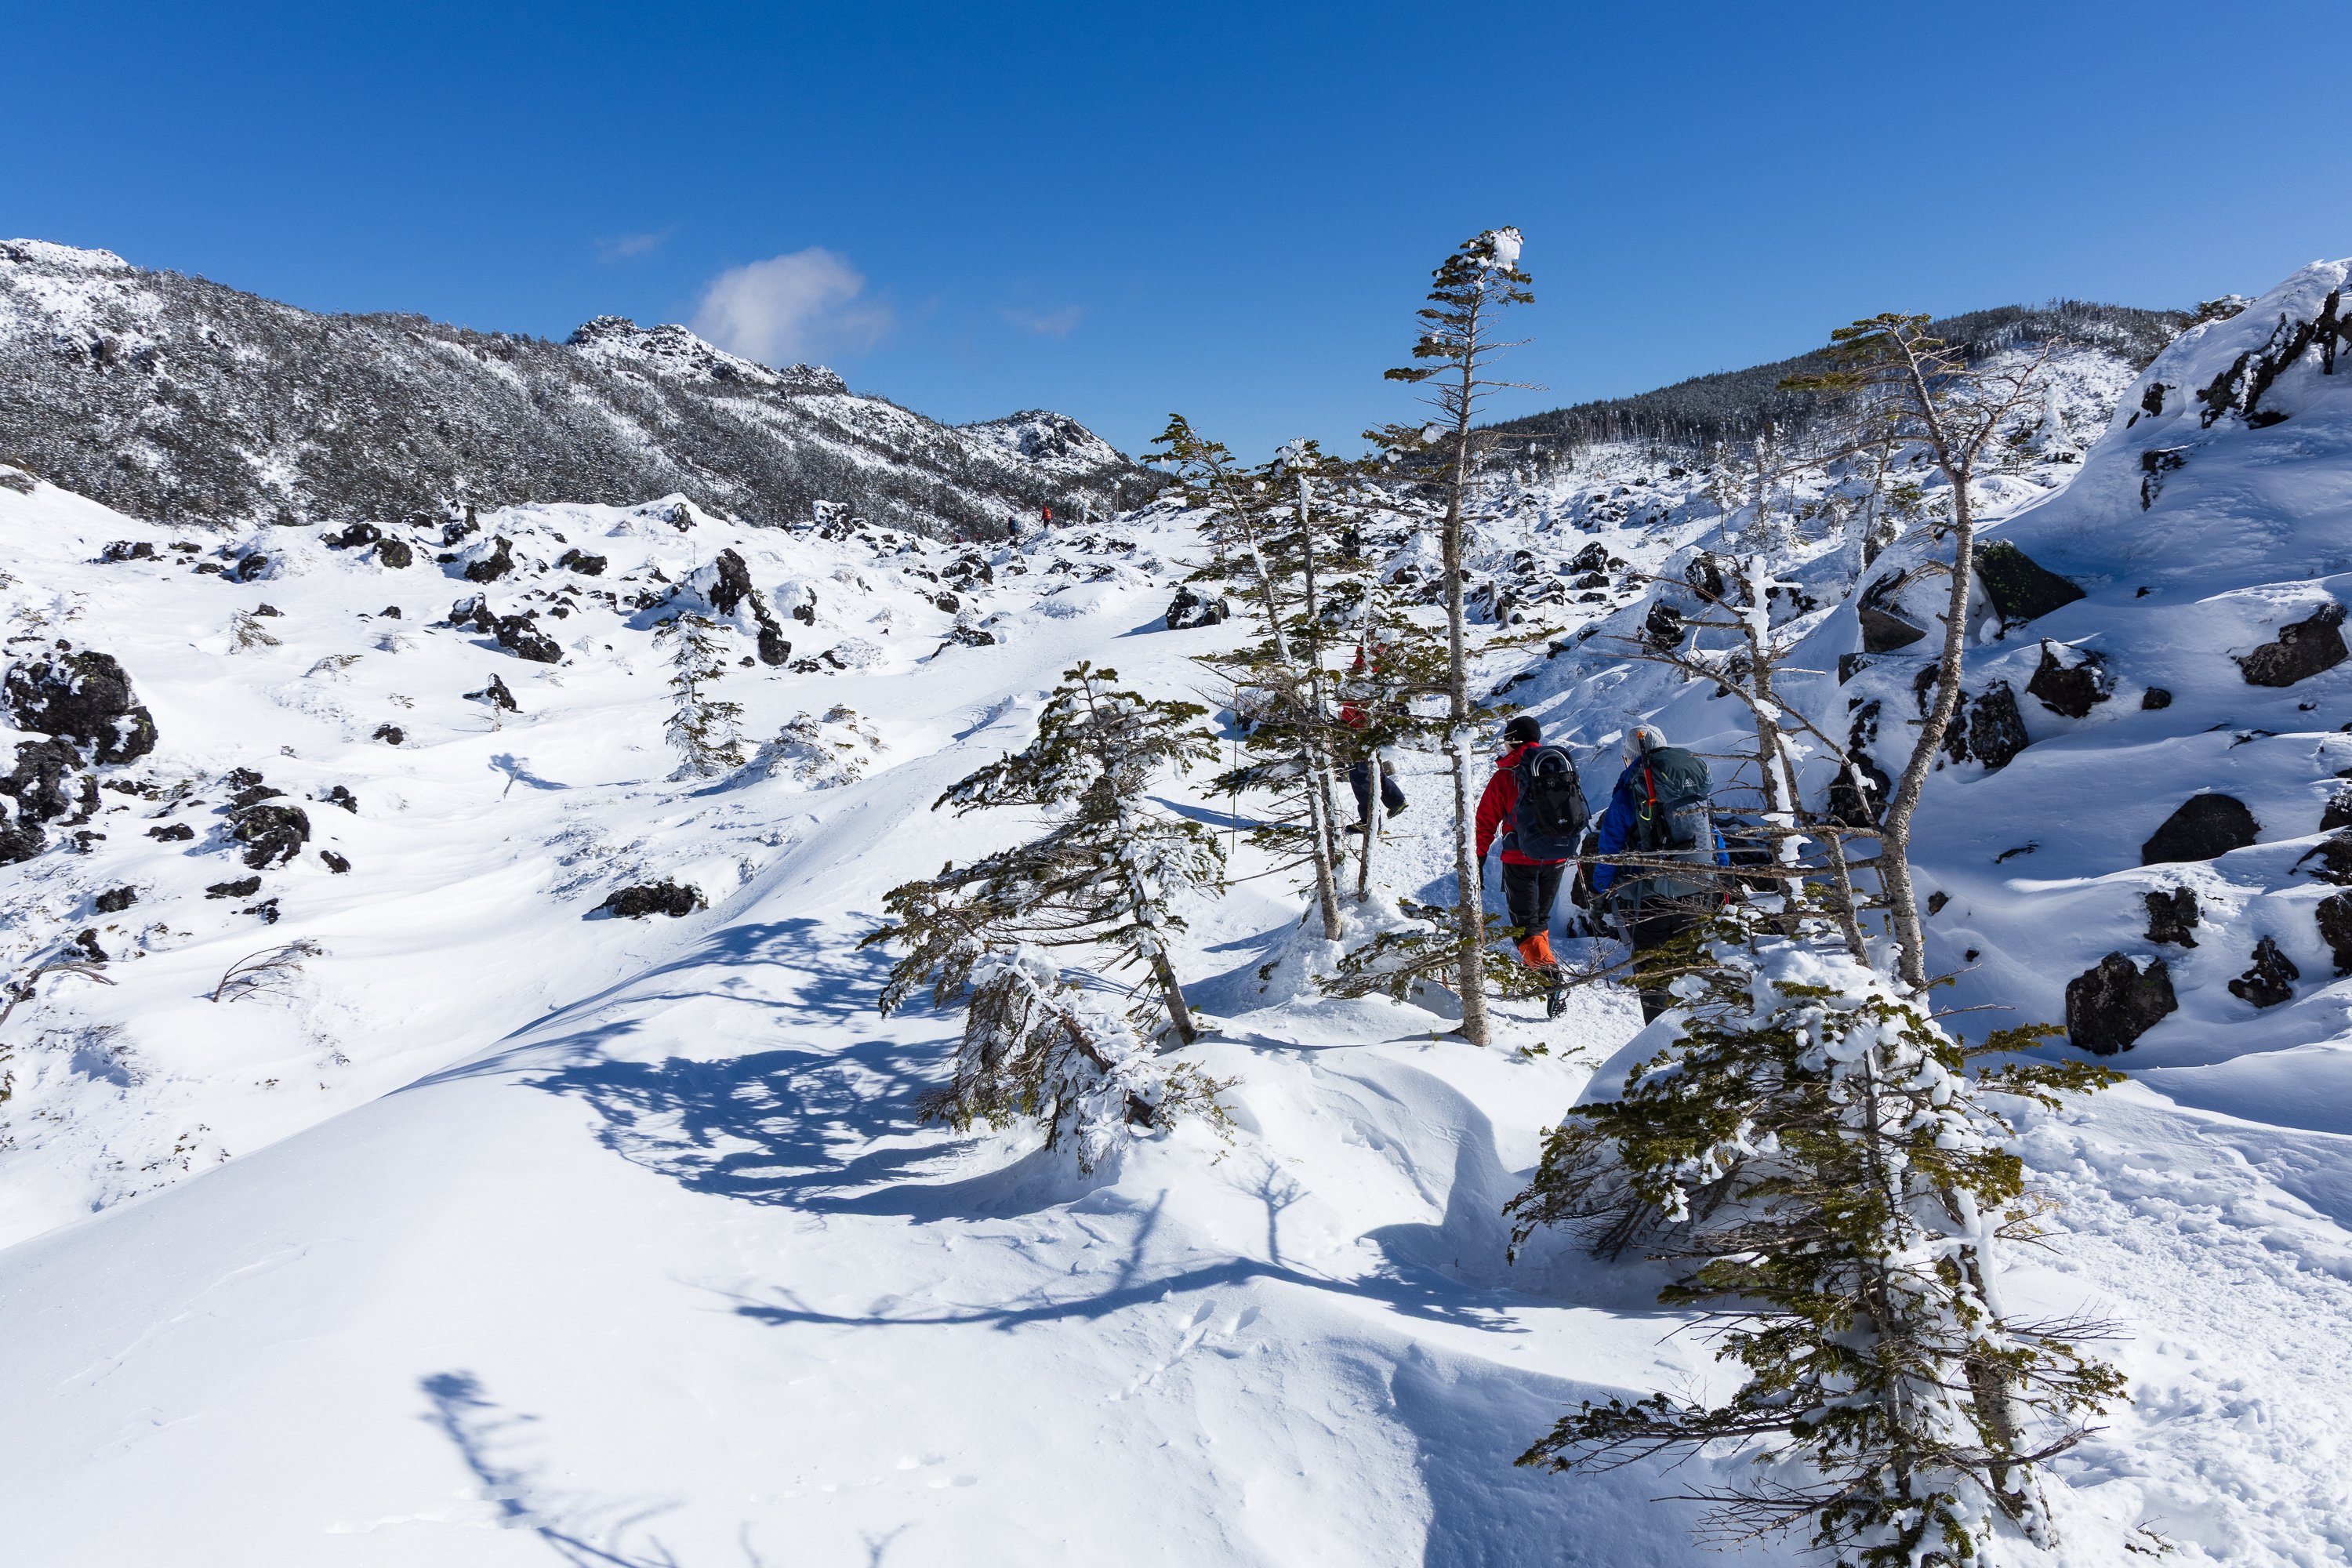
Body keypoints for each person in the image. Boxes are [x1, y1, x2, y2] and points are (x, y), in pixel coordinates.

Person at [1591, 724, 1730, 1023]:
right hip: (1695, 890)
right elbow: (1710, 830)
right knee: (1691, 973)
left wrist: (1601, 890)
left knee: (1652, 976)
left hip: (1647, 899)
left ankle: (1658, 1053)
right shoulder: (1688, 779)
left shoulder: (1632, 788)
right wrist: (1722, 873)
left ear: (1629, 757)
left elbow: (1610, 846)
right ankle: (1696, 1047)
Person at [1474, 715, 1586, 1017]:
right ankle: (1540, 967)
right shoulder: (1556, 767)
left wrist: (1480, 855)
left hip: (1520, 858)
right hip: (1558, 855)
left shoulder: (1508, 774)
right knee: (1540, 919)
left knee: (1525, 926)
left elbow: (1486, 820)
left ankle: (1551, 977)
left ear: (1513, 740)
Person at [1338, 645, 1406, 829]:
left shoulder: (1368, 664)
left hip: (1360, 729)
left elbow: (1358, 698)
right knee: (1371, 771)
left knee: (1360, 777)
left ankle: (1370, 821)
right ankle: (1396, 801)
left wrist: (1352, 722)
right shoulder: (1373, 662)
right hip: (1360, 726)